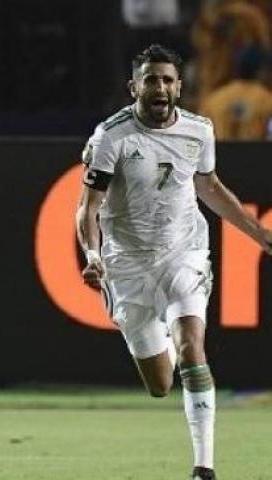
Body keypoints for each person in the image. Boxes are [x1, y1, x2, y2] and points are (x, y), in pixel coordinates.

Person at [76, 44, 272, 480]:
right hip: (126, 263)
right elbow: (87, 208)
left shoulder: (199, 131)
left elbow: (209, 186)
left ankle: (204, 467)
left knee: (191, 347)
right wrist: (92, 255)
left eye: (167, 79)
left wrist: (258, 232)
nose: (159, 87)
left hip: (183, 253)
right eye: (150, 79)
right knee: (161, 384)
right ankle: (157, 334)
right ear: (134, 87)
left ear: (179, 87)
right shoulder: (112, 136)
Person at [199, 47, 272, 140]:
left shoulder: (214, 100)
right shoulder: (267, 99)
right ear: (260, 71)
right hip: (256, 153)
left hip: (219, 153)